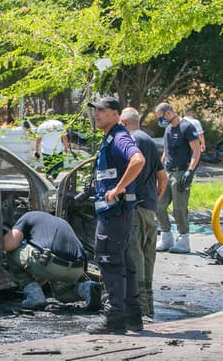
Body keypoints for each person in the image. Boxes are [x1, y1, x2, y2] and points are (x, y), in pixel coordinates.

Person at [86, 96, 145, 334]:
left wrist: (118, 188)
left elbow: (138, 160)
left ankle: (113, 318)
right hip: (116, 213)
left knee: (110, 262)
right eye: (95, 110)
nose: (96, 114)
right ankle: (133, 317)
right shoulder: (110, 138)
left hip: (115, 213)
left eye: (101, 110)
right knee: (124, 263)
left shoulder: (119, 137)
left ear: (115, 113)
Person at [120, 107, 168, 319]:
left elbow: (133, 167)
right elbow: (163, 177)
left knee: (135, 255)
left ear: (122, 122)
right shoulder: (148, 140)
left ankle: (140, 308)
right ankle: (150, 308)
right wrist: (156, 198)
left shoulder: (130, 141)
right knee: (149, 256)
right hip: (149, 207)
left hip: (136, 205)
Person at [3, 211, 102, 311]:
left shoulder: (27, 216)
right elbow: (48, 269)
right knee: (62, 293)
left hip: (52, 264)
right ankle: (87, 288)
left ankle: (35, 297)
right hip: (78, 269)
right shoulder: (57, 222)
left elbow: (9, 244)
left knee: (12, 252)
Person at [155, 103, 202, 254]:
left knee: (179, 208)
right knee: (159, 206)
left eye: (161, 118)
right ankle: (166, 235)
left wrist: (190, 171)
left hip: (181, 172)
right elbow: (166, 152)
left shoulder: (186, 127)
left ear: (168, 113)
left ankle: (183, 238)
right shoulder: (168, 129)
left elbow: (196, 151)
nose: (159, 121)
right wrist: (159, 169)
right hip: (167, 172)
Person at [34, 109, 69, 179]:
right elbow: (64, 137)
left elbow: (38, 140)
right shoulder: (59, 124)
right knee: (59, 167)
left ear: (46, 115)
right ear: (55, 115)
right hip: (57, 150)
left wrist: (36, 150)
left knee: (48, 169)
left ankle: (49, 182)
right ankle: (53, 179)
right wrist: (66, 147)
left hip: (46, 150)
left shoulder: (41, 126)